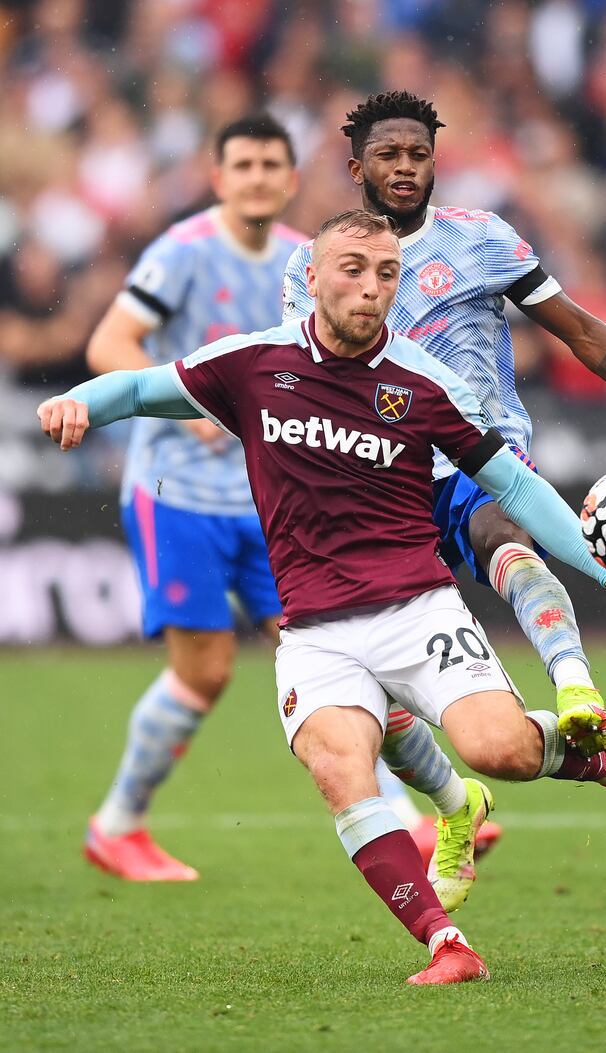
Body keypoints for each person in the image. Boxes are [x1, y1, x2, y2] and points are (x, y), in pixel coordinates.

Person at [39, 210, 606, 984]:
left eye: (385, 273)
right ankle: (448, 944)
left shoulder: (424, 381)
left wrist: (600, 564)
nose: (370, 286)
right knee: (341, 771)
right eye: (351, 268)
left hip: (418, 608)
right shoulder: (252, 363)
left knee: (500, 751)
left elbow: (512, 482)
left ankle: (601, 758)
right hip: (313, 630)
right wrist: (80, 399)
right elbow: (142, 387)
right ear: (310, 277)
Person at [281, 90, 606, 844]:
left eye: (418, 153)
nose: (406, 167)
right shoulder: (310, 269)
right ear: (357, 167)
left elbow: (579, 330)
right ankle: (460, 806)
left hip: (477, 451)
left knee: (500, 532)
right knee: (374, 678)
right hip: (377, 480)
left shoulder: (481, 240)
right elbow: (303, 384)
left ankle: (576, 686)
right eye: (389, 155)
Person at [81, 111, 499, 888]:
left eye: (273, 166)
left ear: (290, 178)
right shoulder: (181, 252)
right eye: (243, 166)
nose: (260, 179)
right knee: (205, 672)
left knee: (355, 653)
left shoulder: (305, 256)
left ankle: (434, 808)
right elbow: (110, 345)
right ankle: (118, 825)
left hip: (274, 508)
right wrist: (211, 407)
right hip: (178, 493)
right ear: (218, 178)